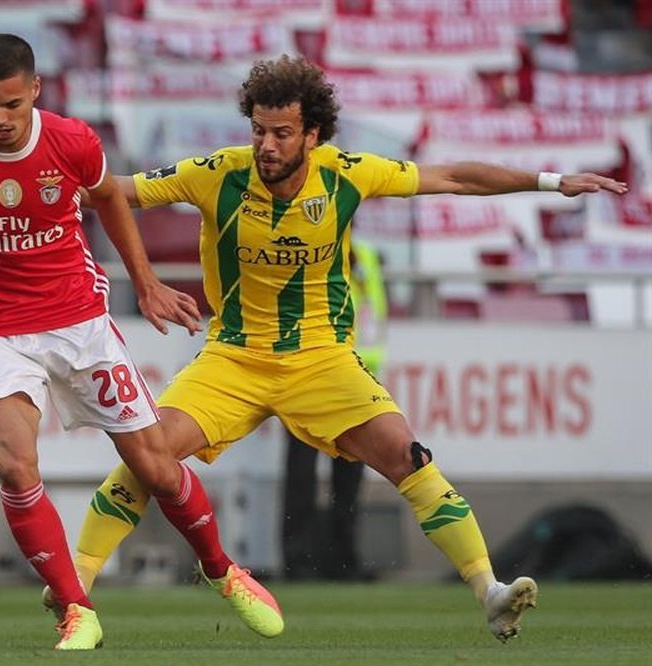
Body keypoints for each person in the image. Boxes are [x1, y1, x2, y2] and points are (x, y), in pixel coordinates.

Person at [46, 54, 629, 642]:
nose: (266, 145)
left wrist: (552, 183)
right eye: (258, 131)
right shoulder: (217, 173)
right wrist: (45, 180)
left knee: (409, 455)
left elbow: (454, 178)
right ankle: (76, 590)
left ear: (312, 134)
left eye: (281, 133)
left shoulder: (347, 173)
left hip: (321, 359)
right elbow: (113, 191)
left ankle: (489, 592)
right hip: (232, 358)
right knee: (149, 457)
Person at [0, 33, 283, 651]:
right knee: (17, 465)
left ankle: (222, 570)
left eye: (12, 105)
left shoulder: (73, 141)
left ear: (35, 91)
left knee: (156, 467)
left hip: (80, 323)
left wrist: (147, 281)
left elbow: (108, 199)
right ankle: (76, 609)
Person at [282, 239, 385, 581]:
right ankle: (298, 561)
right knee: (302, 472)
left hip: (356, 380)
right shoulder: (313, 245)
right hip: (308, 374)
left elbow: (373, 313)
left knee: (349, 474)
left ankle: (344, 561)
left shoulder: (367, 255)